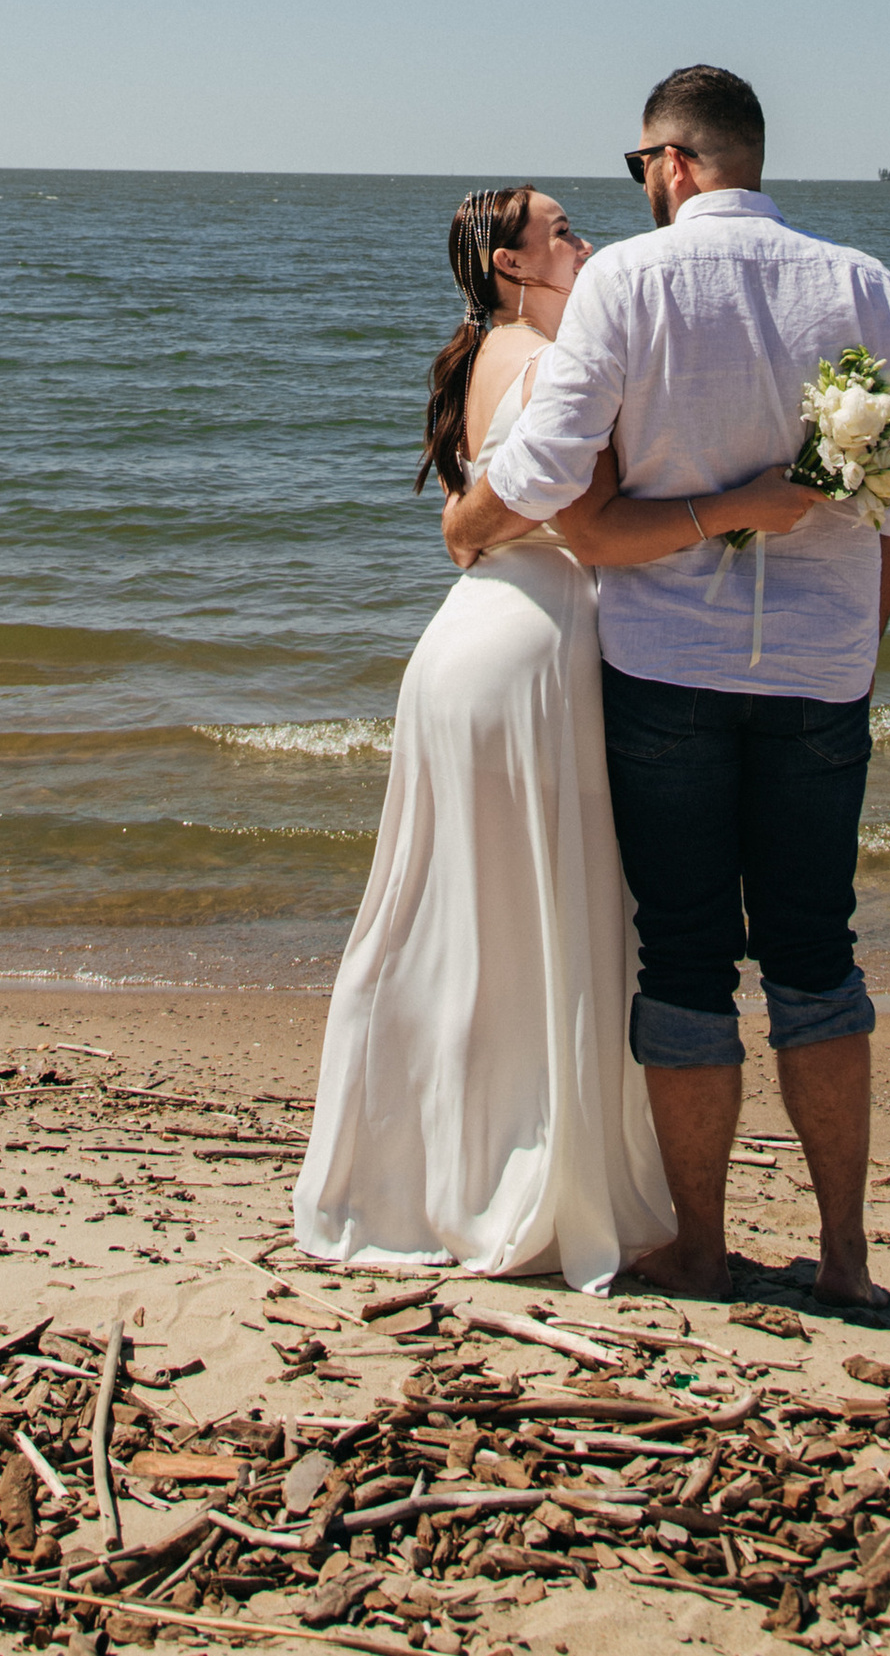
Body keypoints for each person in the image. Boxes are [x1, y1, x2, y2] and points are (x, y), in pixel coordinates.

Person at [440, 68, 890, 1306]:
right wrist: (848, 648)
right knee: (821, 955)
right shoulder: (863, 284)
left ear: (672, 162)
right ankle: (846, 1259)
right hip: (823, 678)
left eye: (638, 168)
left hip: (665, 673)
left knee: (688, 959)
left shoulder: (627, 280)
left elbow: (547, 474)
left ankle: (703, 1250)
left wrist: (467, 515)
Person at [293, 181, 819, 1291]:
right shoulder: (549, 360)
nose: (586, 241)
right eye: (563, 231)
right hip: (533, 652)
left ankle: (422, 1177)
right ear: (509, 265)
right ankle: (530, 1183)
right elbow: (593, 530)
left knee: (459, 924)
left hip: (461, 647)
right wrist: (745, 505)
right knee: (549, 925)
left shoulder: (477, 356)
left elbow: (475, 524)